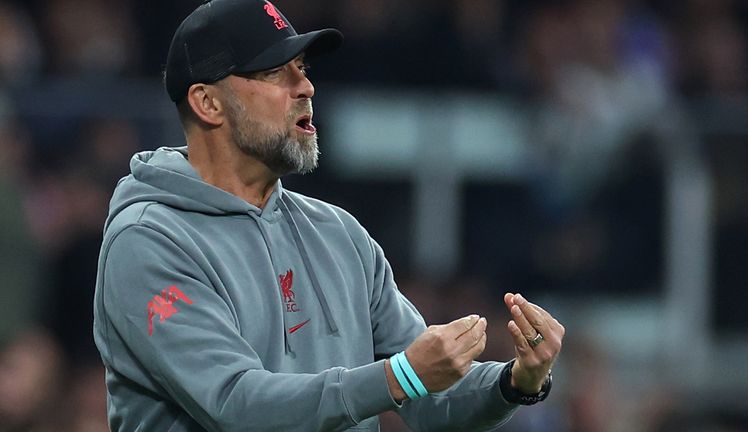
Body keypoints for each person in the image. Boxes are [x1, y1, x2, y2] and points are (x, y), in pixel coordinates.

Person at [92, 1, 565, 431]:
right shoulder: (148, 241)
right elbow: (237, 405)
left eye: (303, 68)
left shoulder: (339, 234)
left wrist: (515, 381)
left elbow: (431, 397)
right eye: (276, 72)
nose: (306, 87)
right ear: (208, 103)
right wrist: (400, 376)